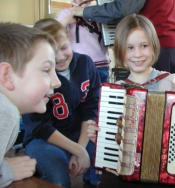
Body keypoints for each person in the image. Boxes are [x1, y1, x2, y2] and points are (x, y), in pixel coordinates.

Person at [87, 14, 175, 187]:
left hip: (166, 170)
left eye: (144, 46)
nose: (137, 54)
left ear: (154, 47)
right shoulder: (115, 93)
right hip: (125, 170)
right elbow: (113, 135)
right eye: (130, 48)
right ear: (121, 51)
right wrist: (100, 135)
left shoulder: (172, 82)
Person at [22, 18, 101, 188]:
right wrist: (77, 150)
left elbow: (91, 109)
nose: (59, 57)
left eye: (64, 48)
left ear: (69, 39)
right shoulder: (33, 78)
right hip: (44, 140)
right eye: (52, 52)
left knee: (102, 166)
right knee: (58, 177)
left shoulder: (85, 64)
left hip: (80, 134)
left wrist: (80, 147)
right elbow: (39, 127)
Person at [0, 23, 61, 187]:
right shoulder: (6, 111)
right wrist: (6, 171)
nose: (57, 82)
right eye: (46, 69)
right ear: (7, 76)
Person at [71, 0, 175, 74]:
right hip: (174, 45)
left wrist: (84, 11)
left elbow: (122, 9)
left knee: (153, 99)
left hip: (156, 46)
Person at [56, 0, 111, 83]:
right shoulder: (66, 13)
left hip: (102, 64)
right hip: (79, 66)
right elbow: (54, 34)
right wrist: (67, 20)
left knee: (101, 94)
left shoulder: (100, 11)